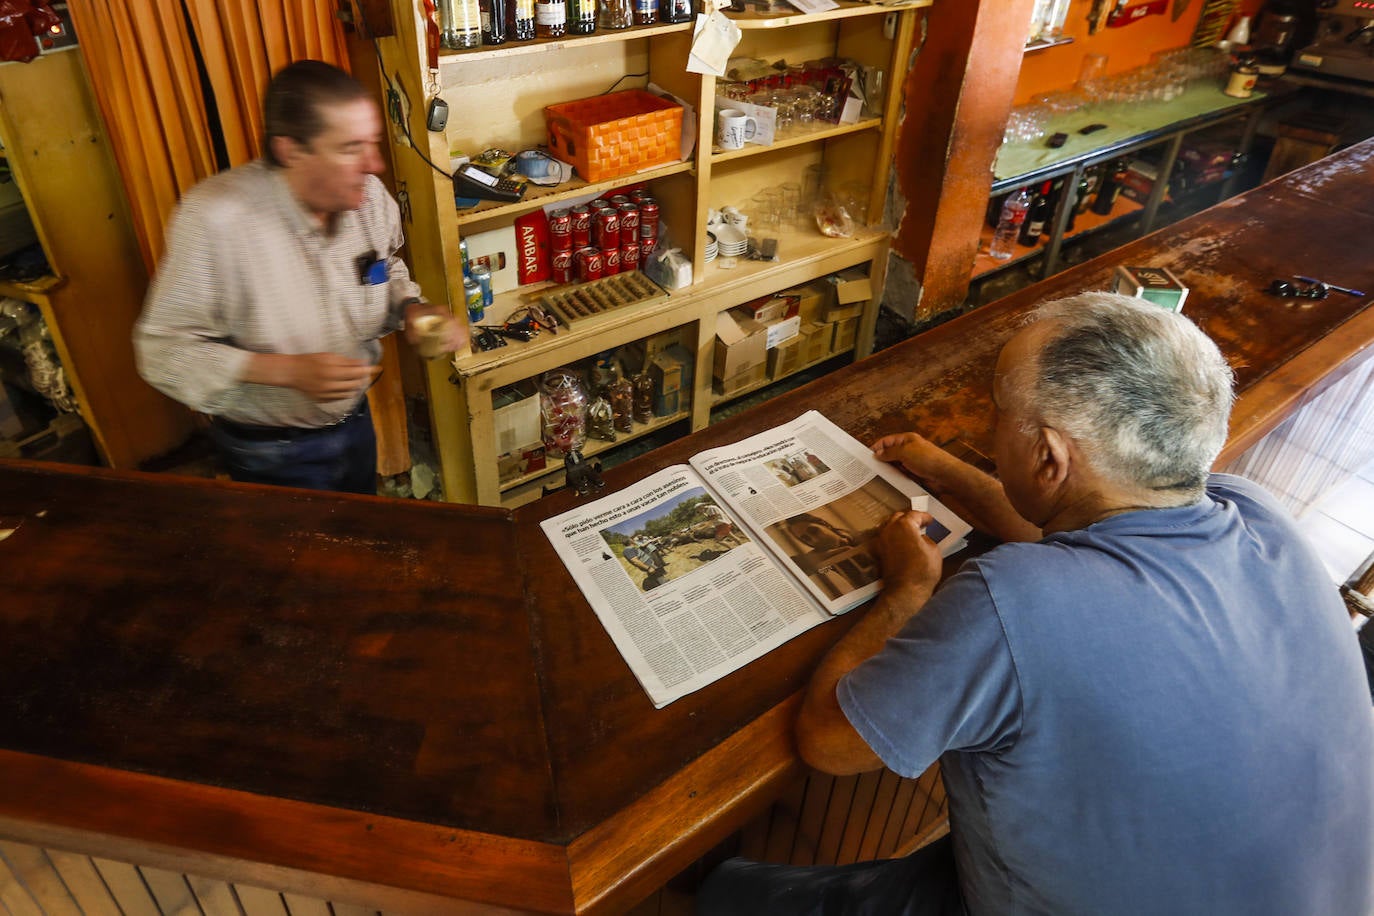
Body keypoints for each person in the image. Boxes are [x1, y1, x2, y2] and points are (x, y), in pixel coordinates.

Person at [699, 292, 1374, 915]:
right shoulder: (1254, 510)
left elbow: (829, 744)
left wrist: (908, 591)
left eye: (997, 413)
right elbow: (1081, 521)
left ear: (1050, 459)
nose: (991, 429)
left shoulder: (1014, 600)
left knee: (741, 895)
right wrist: (945, 471)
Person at [134, 60, 465, 494]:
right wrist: (283, 371)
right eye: (350, 147)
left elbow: (384, 267)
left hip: (356, 426)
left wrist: (411, 309)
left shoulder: (366, 199)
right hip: (272, 451)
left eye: (373, 143)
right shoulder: (216, 219)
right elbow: (162, 352)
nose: (376, 164)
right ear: (290, 150)